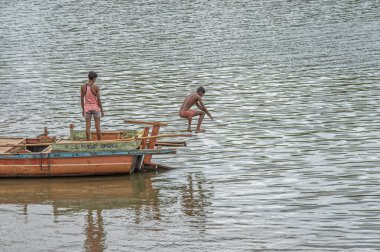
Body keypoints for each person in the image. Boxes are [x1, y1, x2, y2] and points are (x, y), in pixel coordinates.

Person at [80, 71, 104, 141]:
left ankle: (88, 142)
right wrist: (102, 110)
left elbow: (81, 99)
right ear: (93, 78)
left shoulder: (83, 87)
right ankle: (99, 142)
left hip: (87, 108)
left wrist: (83, 109)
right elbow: (98, 100)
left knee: (87, 126)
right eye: (95, 78)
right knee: (97, 126)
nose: (95, 80)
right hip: (95, 108)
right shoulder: (96, 87)